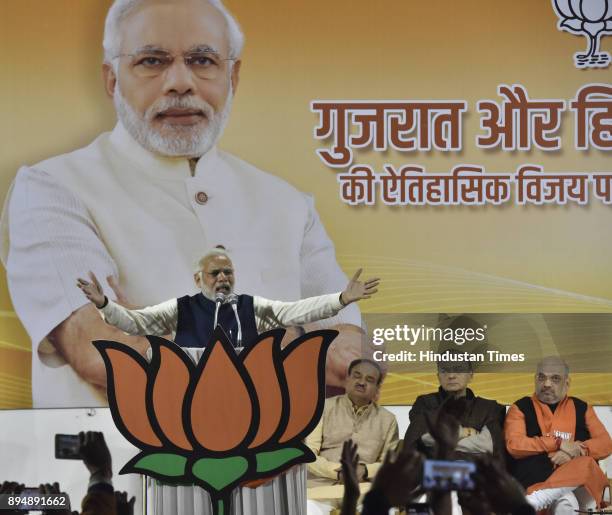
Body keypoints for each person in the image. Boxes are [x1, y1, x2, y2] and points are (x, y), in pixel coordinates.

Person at [0, 0, 367, 409]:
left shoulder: (287, 204)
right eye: (152, 61)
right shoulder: (52, 189)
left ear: (233, 75)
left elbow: (351, 362)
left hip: (271, 471)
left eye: (202, 60)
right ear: (112, 80)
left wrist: (158, 331)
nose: (179, 82)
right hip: (116, 470)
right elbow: (104, 351)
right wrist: (289, 338)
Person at [77, 247, 379, 347]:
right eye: (215, 273)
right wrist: (104, 304)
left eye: (228, 272)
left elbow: (296, 312)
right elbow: (134, 323)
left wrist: (340, 300)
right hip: (193, 398)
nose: (223, 278)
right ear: (199, 279)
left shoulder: (250, 306)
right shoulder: (181, 309)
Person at [505, 356, 612, 514]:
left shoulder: (582, 408)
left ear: (567, 383)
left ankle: (536, 500)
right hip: (535, 481)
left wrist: (575, 451)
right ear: (535, 379)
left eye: (555, 379)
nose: (547, 384)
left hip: (580, 486)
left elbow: (606, 443)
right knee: (565, 500)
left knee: (586, 463)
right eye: (542, 377)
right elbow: (514, 445)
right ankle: (539, 498)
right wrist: (557, 443)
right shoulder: (520, 407)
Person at [305, 359, 399, 511]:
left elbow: (389, 464)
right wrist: (339, 472)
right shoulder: (323, 408)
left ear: (377, 388)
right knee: (307, 509)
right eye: (357, 376)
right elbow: (308, 455)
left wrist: (365, 470)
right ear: (347, 379)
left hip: (365, 489)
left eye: (370, 380)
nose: (362, 382)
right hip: (323, 487)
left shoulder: (388, 419)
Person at [404, 352, 506, 462]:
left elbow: (489, 445)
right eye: (444, 371)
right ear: (438, 376)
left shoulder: (488, 408)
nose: (451, 376)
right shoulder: (425, 404)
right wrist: (467, 433)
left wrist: (440, 439)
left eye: (458, 369)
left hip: (477, 473)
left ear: (471, 375)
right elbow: (418, 440)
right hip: (434, 472)